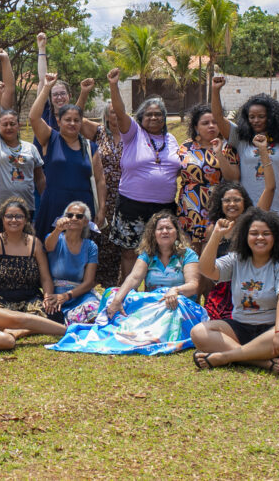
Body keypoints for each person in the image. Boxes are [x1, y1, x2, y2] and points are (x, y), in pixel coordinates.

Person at [52, 211, 209, 356]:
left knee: (174, 303)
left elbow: (194, 285)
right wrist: (117, 300)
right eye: (160, 229)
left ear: (177, 232)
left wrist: (175, 290)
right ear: (154, 234)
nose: (165, 232)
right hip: (154, 304)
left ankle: (146, 333)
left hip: (178, 304)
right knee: (112, 293)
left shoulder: (187, 254)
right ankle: (134, 331)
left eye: (169, 228)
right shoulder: (148, 254)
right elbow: (133, 278)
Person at [190, 208, 279, 373]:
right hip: (240, 327)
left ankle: (226, 356)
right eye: (254, 233)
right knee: (198, 331)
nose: (260, 238)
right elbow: (206, 269)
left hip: (270, 329)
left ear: (276, 236)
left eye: (266, 233)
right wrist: (216, 235)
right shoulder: (237, 259)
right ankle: (258, 361)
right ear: (245, 236)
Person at [104, 67, 180, 278]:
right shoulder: (133, 133)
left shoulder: (171, 139)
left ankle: (155, 292)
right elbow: (119, 112)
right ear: (141, 118)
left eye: (159, 114)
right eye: (149, 114)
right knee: (130, 253)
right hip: (132, 205)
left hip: (164, 208)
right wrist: (113, 85)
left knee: (162, 252)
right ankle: (128, 296)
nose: (154, 117)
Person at [201, 135, 276, 320]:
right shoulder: (214, 229)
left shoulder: (253, 223)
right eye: (227, 200)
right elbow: (205, 268)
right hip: (222, 291)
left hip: (250, 288)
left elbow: (270, 188)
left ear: (245, 203)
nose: (232, 204)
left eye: (237, 200)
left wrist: (264, 152)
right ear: (220, 204)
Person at [211, 76, 279, 225]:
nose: (256, 120)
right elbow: (219, 117)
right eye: (251, 117)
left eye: (261, 116)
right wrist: (215, 91)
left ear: (271, 117)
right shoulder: (241, 139)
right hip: (250, 211)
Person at [30, 72, 106, 241]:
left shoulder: (89, 147)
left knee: (80, 255)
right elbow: (33, 117)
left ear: (81, 122)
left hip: (82, 210)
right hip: (53, 205)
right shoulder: (50, 139)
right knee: (49, 252)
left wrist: (101, 209)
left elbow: (100, 180)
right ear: (59, 122)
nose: (72, 123)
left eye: (76, 120)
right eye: (67, 120)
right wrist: (47, 87)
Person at [0, 200, 53, 322]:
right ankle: (22, 323)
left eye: (19, 216)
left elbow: (45, 278)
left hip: (29, 298)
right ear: (3, 219)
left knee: (50, 313)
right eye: (9, 216)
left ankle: (18, 328)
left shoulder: (35, 243)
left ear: (25, 220)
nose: (14, 220)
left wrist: (47, 297)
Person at [177, 104, 239, 251]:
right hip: (190, 206)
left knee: (210, 251)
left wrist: (218, 153)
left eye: (215, 122)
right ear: (196, 127)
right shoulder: (185, 148)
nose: (211, 126)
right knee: (190, 252)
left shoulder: (227, 148)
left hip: (215, 205)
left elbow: (233, 178)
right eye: (205, 123)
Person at [0, 81, 45, 216]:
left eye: (12, 124)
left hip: (27, 208)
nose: (8, 127)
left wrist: (45, 199)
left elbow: (40, 178)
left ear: (19, 125)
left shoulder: (31, 148)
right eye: (4, 124)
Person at [42, 201, 100, 324]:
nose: (73, 218)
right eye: (69, 215)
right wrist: (58, 229)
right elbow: (48, 247)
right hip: (55, 294)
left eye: (79, 216)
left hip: (78, 294)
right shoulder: (54, 238)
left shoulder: (91, 246)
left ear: (85, 222)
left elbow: (88, 282)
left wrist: (66, 296)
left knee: (94, 310)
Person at [35, 33, 97, 141]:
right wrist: (41, 48)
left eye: (62, 93)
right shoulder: (44, 113)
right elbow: (42, 79)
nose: (59, 97)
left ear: (70, 96)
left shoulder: (75, 121)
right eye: (55, 94)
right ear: (50, 98)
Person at [93, 101, 123, 289]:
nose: (117, 115)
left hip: (127, 197)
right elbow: (75, 118)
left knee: (121, 243)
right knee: (103, 240)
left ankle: (117, 285)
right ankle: (98, 283)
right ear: (106, 115)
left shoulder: (132, 135)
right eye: (113, 112)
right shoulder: (98, 133)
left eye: (120, 111)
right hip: (103, 196)